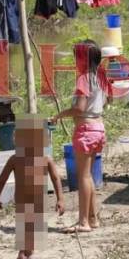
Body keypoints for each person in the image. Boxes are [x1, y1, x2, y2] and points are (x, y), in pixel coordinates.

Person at [50, 39, 109, 233]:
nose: (75, 61)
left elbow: (79, 108)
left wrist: (59, 115)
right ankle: (92, 218)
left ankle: (83, 221)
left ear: (83, 59)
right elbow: (106, 101)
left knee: (83, 177)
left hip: (85, 129)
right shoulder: (100, 77)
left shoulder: (84, 79)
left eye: (77, 57)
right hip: (98, 128)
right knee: (89, 176)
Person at [0, 114, 65, 259]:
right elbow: (2, 180)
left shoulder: (46, 160)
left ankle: (22, 255)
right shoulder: (15, 159)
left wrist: (60, 199)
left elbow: (56, 179)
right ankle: (28, 254)